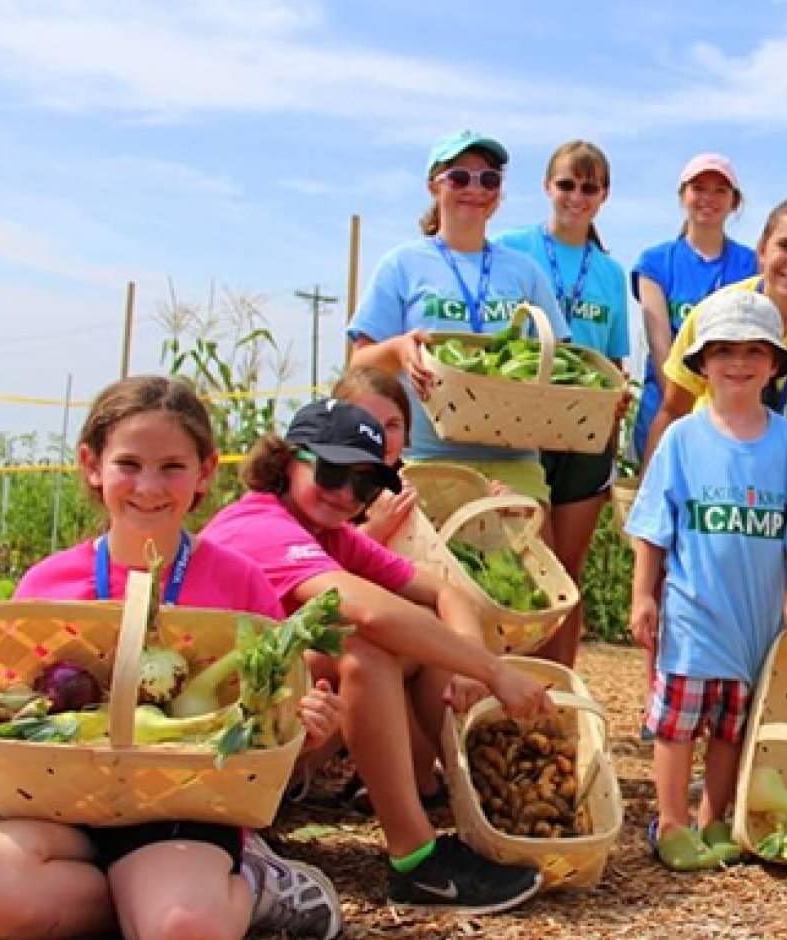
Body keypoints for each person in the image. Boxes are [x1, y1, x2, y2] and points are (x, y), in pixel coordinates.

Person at [0, 376, 342, 940]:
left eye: (172, 466)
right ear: (92, 465)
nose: (149, 486)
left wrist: (307, 731)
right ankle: (146, 894)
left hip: (183, 810)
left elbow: (271, 731)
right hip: (57, 805)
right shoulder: (48, 584)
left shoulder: (238, 583)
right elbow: (19, 717)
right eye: (129, 464)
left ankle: (252, 886)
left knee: (183, 928)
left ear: (206, 471)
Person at [201, 400, 552, 913]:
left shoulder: (331, 535)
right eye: (333, 472)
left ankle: (494, 809)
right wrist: (495, 671)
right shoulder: (256, 524)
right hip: (219, 746)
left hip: (277, 729)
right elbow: (366, 612)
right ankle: (416, 861)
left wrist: (469, 663)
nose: (346, 494)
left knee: (427, 647)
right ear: (287, 460)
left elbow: (446, 594)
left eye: (365, 485)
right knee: (365, 646)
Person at [625, 291, 787, 870]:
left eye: (752, 352)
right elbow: (653, 526)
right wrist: (644, 594)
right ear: (701, 363)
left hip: (757, 615)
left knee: (733, 724)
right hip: (693, 609)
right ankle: (670, 820)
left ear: (773, 364)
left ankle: (716, 818)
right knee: (678, 722)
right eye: (723, 352)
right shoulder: (683, 439)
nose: (738, 364)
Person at [648, 196, 787, 617]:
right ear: (761, 251)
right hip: (707, 485)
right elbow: (672, 411)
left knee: (768, 614)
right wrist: (650, 490)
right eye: (785, 246)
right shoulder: (714, 313)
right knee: (687, 604)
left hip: (779, 496)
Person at [347, 129, 570, 505]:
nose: (475, 189)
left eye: (489, 179)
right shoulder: (401, 265)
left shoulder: (524, 271)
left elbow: (562, 359)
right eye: (460, 177)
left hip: (514, 460)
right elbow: (359, 364)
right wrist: (400, 349)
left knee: (527, 562)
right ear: (434, 186)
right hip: (429, 458)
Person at [495, 140, 630, 666]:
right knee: (523, 565)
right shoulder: (512, 247)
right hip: (521, 427)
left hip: (584, 432)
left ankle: (559, 688)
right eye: (567, 185)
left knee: (565, 573)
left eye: (588, 187)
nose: (576, 197)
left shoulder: (609, 272)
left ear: (603, 197)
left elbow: (615, 361)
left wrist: (615, 424)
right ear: (548, 188)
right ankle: (504, 681)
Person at [629, 153, 759, 463]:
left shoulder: (752, 264)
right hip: (664, 404)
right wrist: (683, 404)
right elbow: (660, 343)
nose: (708, 199)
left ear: (734, 202)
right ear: (682, 196)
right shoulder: (656, 262)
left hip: (731, 409)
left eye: (720, 190)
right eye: (698, 188)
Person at [331, 366, 418, 546]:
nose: (381, 437)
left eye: (392, 425)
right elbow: (318, 563)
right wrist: (374, 530)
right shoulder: (323, 487)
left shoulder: (416, 480)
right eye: (366, 424)